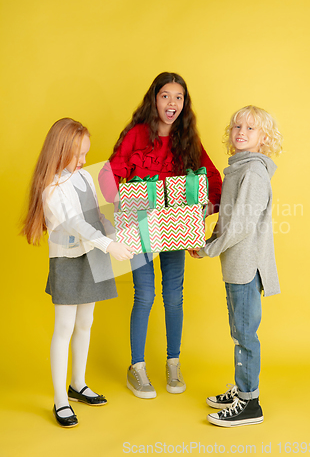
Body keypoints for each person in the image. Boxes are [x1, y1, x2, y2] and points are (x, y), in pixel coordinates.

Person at [99, 72, 222, 399]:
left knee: (174, 295)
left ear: (185, 103)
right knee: (145, 294)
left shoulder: (187, 137)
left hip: (176, 225)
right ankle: (136, 367)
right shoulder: (137, 134)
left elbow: (212, 176)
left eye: (178, 97)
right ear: (154, 99)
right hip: (139, 225)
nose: (172, 103)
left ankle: (173, 363)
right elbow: (110, 173)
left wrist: (203, 212)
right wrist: (121, 209)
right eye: (166, 96)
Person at [21, 118, 134, 428]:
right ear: (59, 150)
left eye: (86, 153)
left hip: (94, 255)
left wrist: (118, 234)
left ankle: (78, 384)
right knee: (64, 327)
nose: (84, 160)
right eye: (78, 154)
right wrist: (110, 245)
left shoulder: (84, 176)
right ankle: (60, 399)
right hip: (69, 260)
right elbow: (75, 224)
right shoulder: (52, 188)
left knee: (86, 323)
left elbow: (96, 216)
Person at [189, 105, 283, 427]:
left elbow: (241, 225)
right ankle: (242, 389)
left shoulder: (254, 173)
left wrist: (209, 249)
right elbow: (229, 216)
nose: (241, 132)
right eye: (236, 126)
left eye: (250, 128)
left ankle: (249, 402)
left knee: (245, 334)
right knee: (238, 330)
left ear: (264, 138)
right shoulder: (239, 169)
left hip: (246, 267)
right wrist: (206, 240)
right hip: (235, 264)